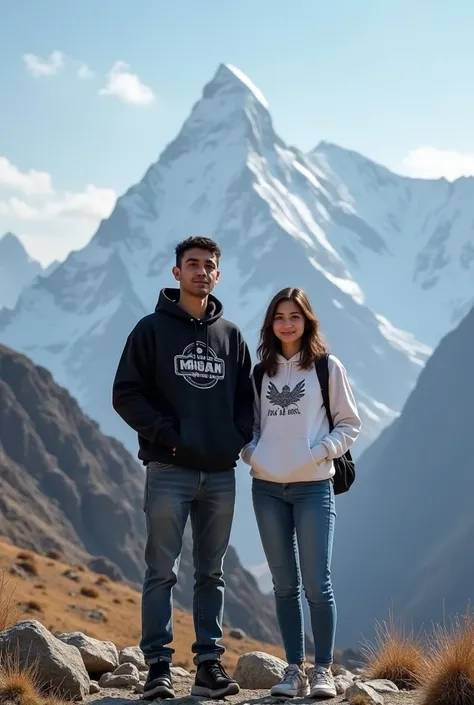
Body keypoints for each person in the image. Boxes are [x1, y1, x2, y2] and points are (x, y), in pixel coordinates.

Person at [112, 236, 254, 700]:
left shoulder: (232, 337)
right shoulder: (150, 330)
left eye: (208, 265)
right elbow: (126, 394)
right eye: (191, 264)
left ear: (218, 275)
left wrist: (228, 444)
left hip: (218, 475)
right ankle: (158, 668)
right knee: (162, 570)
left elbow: (245, 406)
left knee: (211, 573)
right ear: (176, 273)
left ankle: (208, 666)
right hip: (167, 471)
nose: (200, 272)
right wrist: (168, 436)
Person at [241, 287, 361, 699]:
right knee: (283, 584)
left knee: (317, 583)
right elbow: (250, 426)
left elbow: (349, 423)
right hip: (267, 489)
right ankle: (293, 670)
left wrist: (319, 453)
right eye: (279, 316)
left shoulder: (328, 367)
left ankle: (324, 670)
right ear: (270, 324)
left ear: (307, 320)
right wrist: (253, 454)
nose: (287, 323)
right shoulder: (261, 372)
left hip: (314, 488)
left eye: (294, 315)